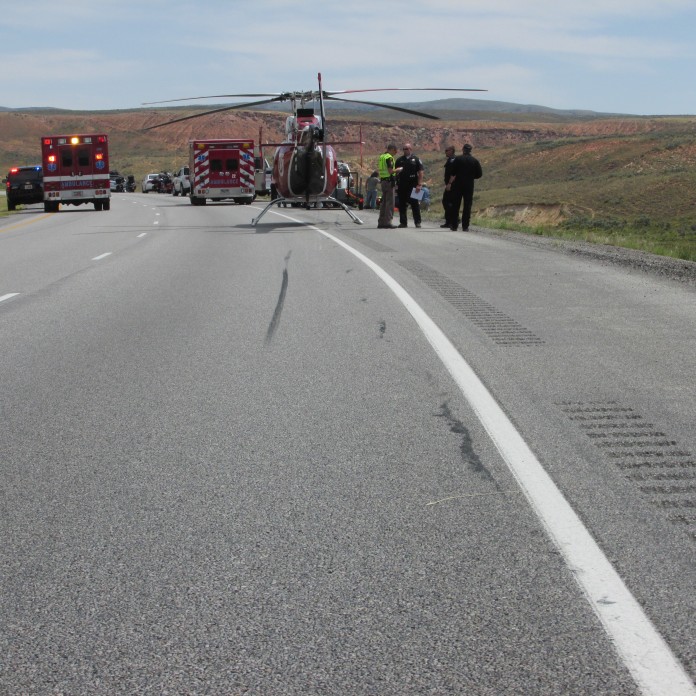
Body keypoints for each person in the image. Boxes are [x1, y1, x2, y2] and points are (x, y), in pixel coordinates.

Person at [448, 143, 482, 231]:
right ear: (470, 150)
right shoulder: (474, 161)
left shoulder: (458, 159)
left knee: (456, 205)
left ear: (463, 150)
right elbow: (479, 174)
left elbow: (452, 172)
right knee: (467, 205)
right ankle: (465, 226)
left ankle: (454, 225)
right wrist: (471, 177)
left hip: (458, 185)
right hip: (469, 185)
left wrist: (449, 183)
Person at [395, 143, 425, 228]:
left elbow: (421, 172)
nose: (405, 150)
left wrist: (419, 184)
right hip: (402, 184)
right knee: (402, 204)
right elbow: (395, 173)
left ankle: (417, 222)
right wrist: (396, 184)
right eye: (404, 149)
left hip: (413, 184)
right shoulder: (399, 160)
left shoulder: (416, 159)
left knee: (415, 204)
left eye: (407, 149)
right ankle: (403, 222)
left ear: (411, 149)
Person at [377, 144, 401, 228]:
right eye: (395, 151)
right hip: (389, 181)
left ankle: (381, 222)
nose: (396, 153)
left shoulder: (382, 157)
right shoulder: (389, 158)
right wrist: (398, 170)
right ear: (392, 149)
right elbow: (390, 171)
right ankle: (388, 222)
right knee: (390, 203)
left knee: (383, 203)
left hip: (383, 181)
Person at [441, 145, 457, 228]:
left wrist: (450, 184)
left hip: (452, 185)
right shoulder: (450, 160)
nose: (445, 152)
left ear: (451, 151)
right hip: (449, 184)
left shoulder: (454, 160)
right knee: (446, 202)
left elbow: (454, 174)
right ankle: (449, 221)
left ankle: (453, 220)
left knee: (448, 202)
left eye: (447, 150)